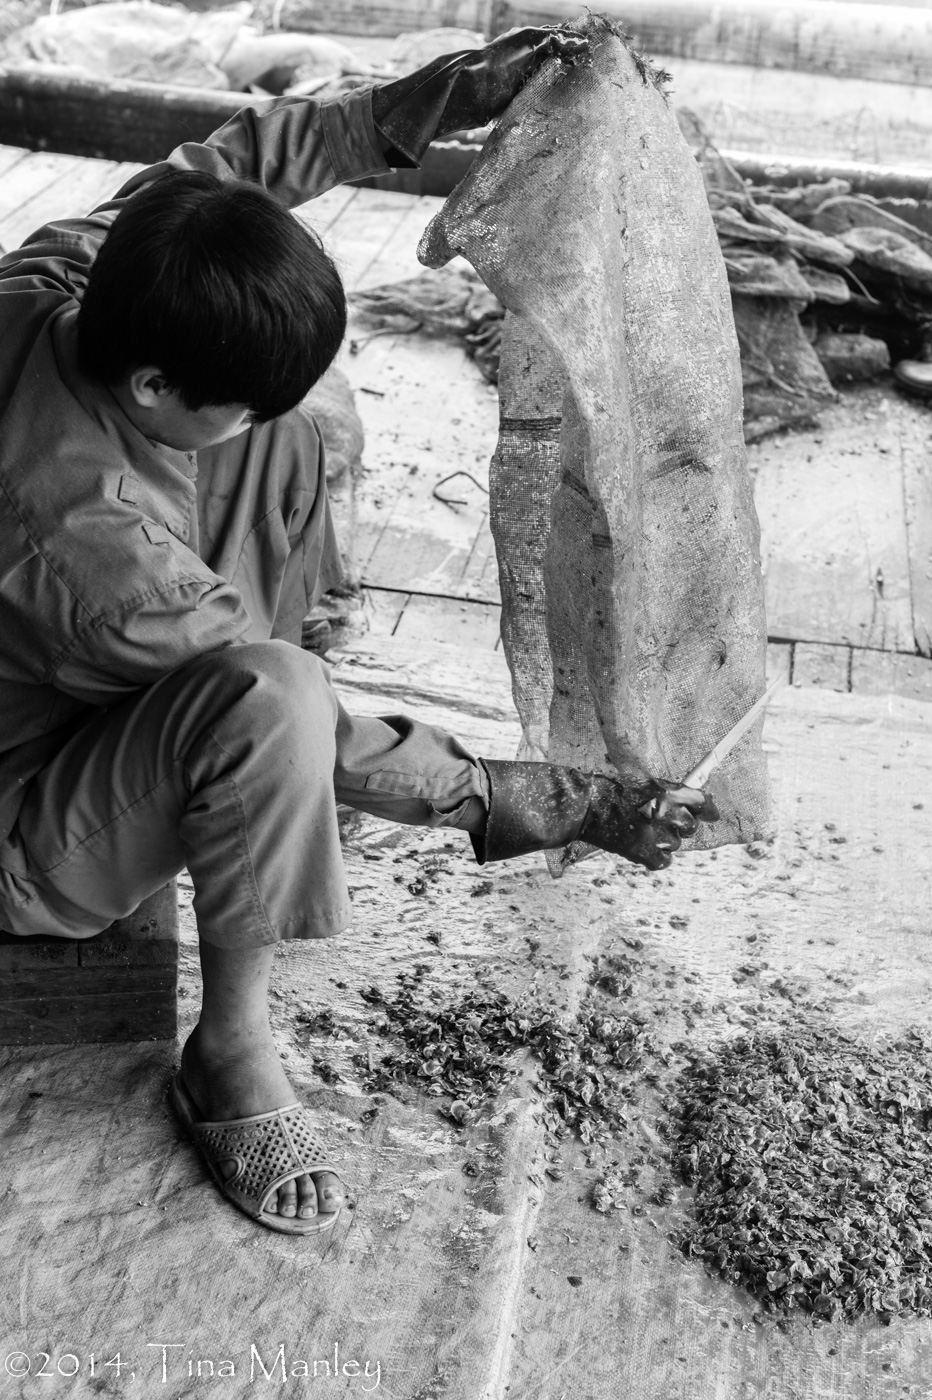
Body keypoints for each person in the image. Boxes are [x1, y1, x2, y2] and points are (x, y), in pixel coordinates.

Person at [0, 28, 717, 1236]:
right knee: (271, 697)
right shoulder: (89, 549)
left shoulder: (81, 275)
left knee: (286, 433)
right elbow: (317, 737)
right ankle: (228, 1047)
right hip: (23, 804)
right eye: (215, 406)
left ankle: (239, 666)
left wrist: (439, 95)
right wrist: (531, 796)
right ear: (150, 389)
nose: (242, 422)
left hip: (76, 654)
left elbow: (239, 160)